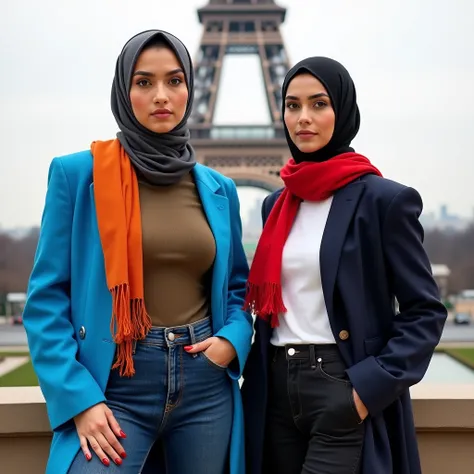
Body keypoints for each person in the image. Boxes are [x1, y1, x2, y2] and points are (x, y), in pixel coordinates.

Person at [22, 29, 252, 474]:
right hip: (115, 384)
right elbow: (46, 298)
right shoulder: (79, 176)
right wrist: (79, 400)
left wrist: (231, 342)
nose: (161, 95)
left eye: (175, 80)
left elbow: (238, 287)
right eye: (144, 82)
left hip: (204, 383)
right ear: (124, 91)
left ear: (191, 89)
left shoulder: (218, 189)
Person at [241, 56, 447, 474]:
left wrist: (365, 390)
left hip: (340, 382)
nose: (303, 118)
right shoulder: (275, 204)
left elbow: (425, 311)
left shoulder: (384, 201)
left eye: (319, 104)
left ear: (344, 110)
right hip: (275, 390)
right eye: (292, 105)